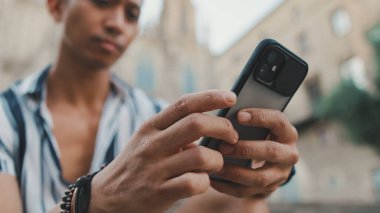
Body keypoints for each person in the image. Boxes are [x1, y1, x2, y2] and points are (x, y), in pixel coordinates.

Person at [0, 0, 299, 212]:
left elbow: (219, 194)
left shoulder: (160, 116)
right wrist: (94, 203)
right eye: (102, 2)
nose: (118, 23)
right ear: (55, 5)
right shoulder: (6, 117)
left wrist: (261, 177)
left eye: (132, 13)